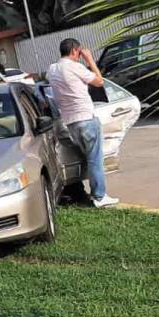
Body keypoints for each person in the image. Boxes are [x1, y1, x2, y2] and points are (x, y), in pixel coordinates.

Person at [47, 38, 119, 208]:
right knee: (95, 159)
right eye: (79, 52)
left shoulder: (52, 69)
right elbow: (99, 81)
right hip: (86, 118)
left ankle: (90, 193)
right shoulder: (75, 66)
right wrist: (90, 60)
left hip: (70, 122)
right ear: (74, 51)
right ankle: (100, 196)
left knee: (87, 158)